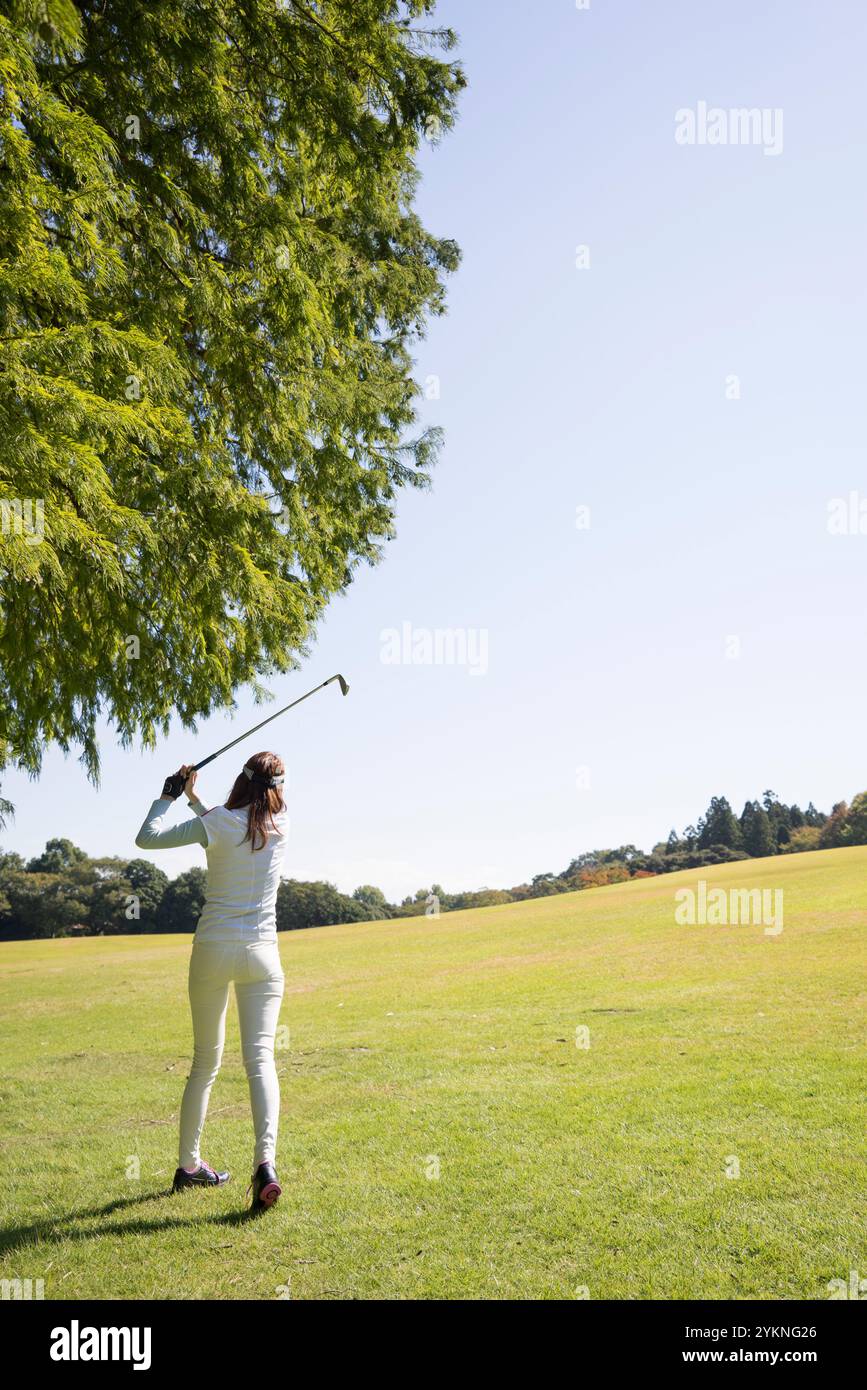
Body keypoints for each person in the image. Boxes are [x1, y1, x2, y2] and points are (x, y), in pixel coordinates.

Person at [135, 751, 288, 1214]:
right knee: (260, 1059)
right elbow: (230, 828)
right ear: (278, 787)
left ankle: (188, 1165)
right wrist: (193, 798)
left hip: (212, 951)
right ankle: (266, 1162)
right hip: (262, 956)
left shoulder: (218, 822)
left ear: (241, 782)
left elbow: (147, 839)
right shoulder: (282, 830)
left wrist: (167, 797)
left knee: (205, 1062)